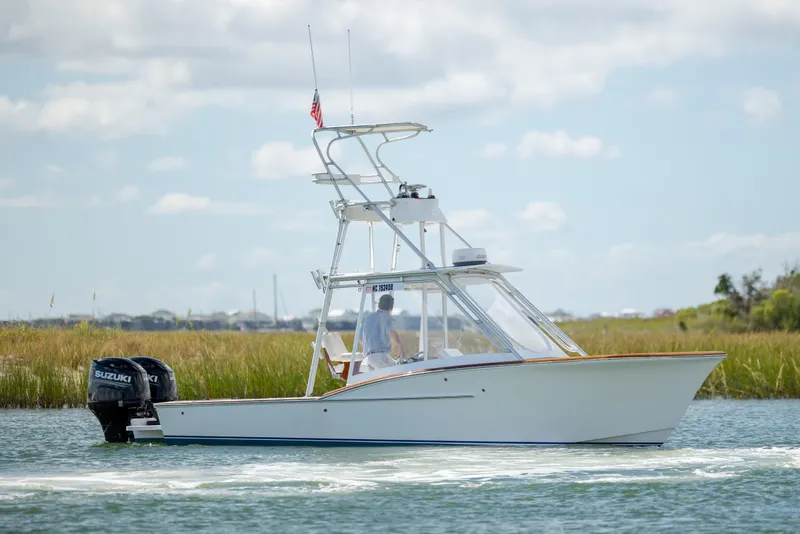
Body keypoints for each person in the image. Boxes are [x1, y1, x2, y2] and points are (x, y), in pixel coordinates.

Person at [360, 294, 405, 371]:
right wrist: (400, 346)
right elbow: (392, 333)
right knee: (396, 373)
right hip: (380, 356)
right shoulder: (387, 317)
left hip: (368, 358)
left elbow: (361, 339)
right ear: (391, 308)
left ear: (379, 305)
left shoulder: (367, 318)